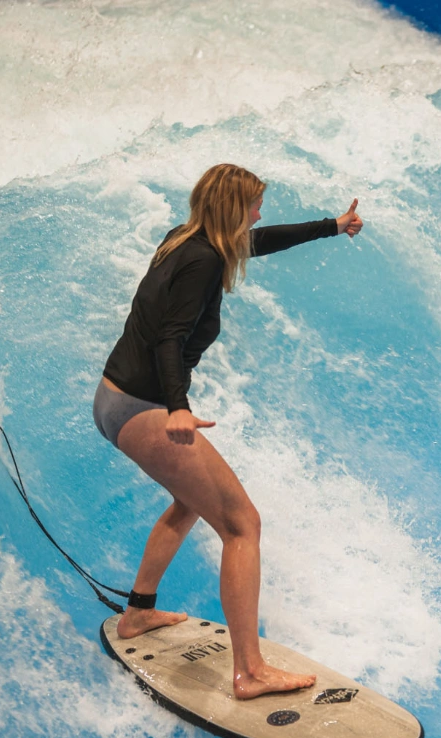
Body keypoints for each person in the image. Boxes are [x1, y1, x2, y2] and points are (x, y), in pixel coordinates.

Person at [93, 163, 363, 699]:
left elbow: (259, 241)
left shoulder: (187, 237)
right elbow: (170, 337)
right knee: (243, 524)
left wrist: (331, 225)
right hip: (144, 407)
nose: (259, 215)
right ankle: (250, 672)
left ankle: (138, 615)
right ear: (231, 208)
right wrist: (177, 407)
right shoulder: (201, 259)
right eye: (253, 204)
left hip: (116, 400)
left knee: (191, 500)